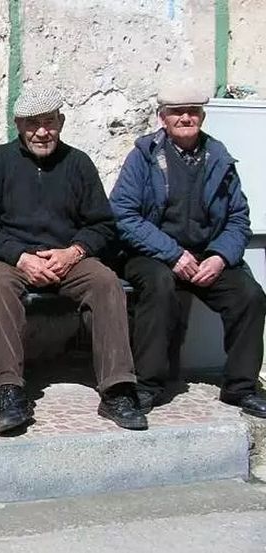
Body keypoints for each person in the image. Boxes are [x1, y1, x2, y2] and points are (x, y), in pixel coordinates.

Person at [0, 86, 147, 435]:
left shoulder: (78, 163)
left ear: (61, 122)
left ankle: (117, 389)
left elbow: (102, 225)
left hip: (67, 257)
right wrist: (20, 258)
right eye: (32, 124)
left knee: (105, 282)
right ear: (19, 126)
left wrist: (74, 252)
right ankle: (8, 389)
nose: (42, 132)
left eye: (49, 122)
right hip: (10, 258)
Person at [110, 83, 266, 417]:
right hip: (152, 253)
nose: (185, 118)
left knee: (250, 296)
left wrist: (220, 256)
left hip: (205, 255)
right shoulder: (144, 156)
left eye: (193, 111)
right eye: (177, 112)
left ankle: (240, 388)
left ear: (202, 116)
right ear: (162, 118)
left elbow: (238, 218)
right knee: (159, 285)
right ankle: (148, 384)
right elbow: (123, 215)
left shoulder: (218, 157)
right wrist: (172, 254)